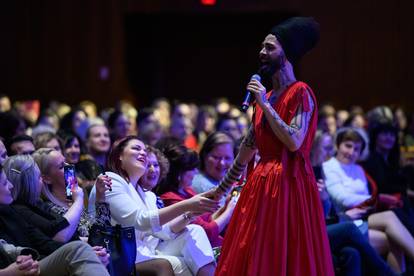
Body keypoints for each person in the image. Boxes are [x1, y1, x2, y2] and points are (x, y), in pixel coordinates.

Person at [213, 17, 334, 275]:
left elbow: (294, 141)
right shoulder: (264, 97)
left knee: (286, 254)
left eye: (270, 48)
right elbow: (249, 146)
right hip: (261, 185)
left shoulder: (300, 92)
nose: (262, 53)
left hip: (290, 185)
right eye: (262, 47)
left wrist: (265, 105)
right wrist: (222, 189)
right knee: (254, 251)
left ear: (287, 53)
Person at [88, 136, 218, 276]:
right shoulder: (111, 180)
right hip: (121, 255)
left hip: (149, 253)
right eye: (136, 148)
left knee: (195, 230)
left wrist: (190, 213)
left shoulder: (147, 195)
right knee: (178, 265)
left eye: (144, 150)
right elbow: (140, 220)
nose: (143, 153)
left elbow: (163, 231)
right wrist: (186, 205)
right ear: (120, 156)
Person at [323, 127, 414, 273]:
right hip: (342, 220)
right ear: (338, 145)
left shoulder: (358, 169)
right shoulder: (328, 167)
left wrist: (368, 202)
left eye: (357, 149)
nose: (351, 152)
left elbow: (364, 203)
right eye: (348, 146)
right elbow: (343, 199)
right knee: (395, 238)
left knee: (392, 220)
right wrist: (374, 199)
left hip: (362, 218)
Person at [0, 165, 110, 276]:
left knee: (97, 250)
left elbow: (44, 243)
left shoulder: (30, 207)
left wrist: (100, 198)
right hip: (32, 262)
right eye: (61, 166)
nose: (11, 186)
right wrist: (78, 200)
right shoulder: (47, 206)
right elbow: (61, 236)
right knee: (81, 250)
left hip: (35, 259)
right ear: (47, 178)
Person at [158, 143, 237, 247]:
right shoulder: (170, 198)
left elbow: (209, 219)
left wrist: (227, 204)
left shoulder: (187, 190)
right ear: (179, 173)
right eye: (192, 169)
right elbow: (207, 232)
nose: (196, 172)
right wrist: (230, 210)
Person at [192, 132, 235, 198]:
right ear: (204, 156)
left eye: (227, 158)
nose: (222, 163)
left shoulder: (234, 183)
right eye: (216, 157)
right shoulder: (202, 186)